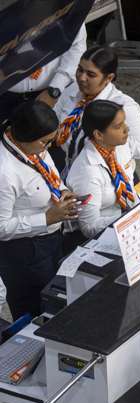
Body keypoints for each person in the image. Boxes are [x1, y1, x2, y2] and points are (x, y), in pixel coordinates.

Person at [0, 101, 78, 319]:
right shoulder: (4, 173)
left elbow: (48, 169)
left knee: (57, 297)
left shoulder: (34, 147)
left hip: (51, 239)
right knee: (37, 310)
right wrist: (46, 218)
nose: (48, 147)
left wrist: (62, 190)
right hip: (25, 252)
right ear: (25, 136)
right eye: (45, 142)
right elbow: (1, 227)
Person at [53, 46, 140, 173]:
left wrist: (110, 141)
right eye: (80, 70)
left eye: (91, 74)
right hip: (71, 168)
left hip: (104, 174)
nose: (82, 78)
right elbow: (55, 118)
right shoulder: (73, 89)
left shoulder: (123, 105)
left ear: (109, 78)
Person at [65, 100, 137, 239]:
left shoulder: (120, 145)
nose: (126, 129)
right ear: (98, 135)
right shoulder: (87, 172)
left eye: (124, 122)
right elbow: (89, 228)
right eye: (118, 126)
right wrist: (129, 217)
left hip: (127, 222)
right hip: (102, 234)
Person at [0, 25, 87, 123]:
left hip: (44, 94)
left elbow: (76, 48)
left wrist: (55, 89)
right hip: (4, 91)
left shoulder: (70, 16)